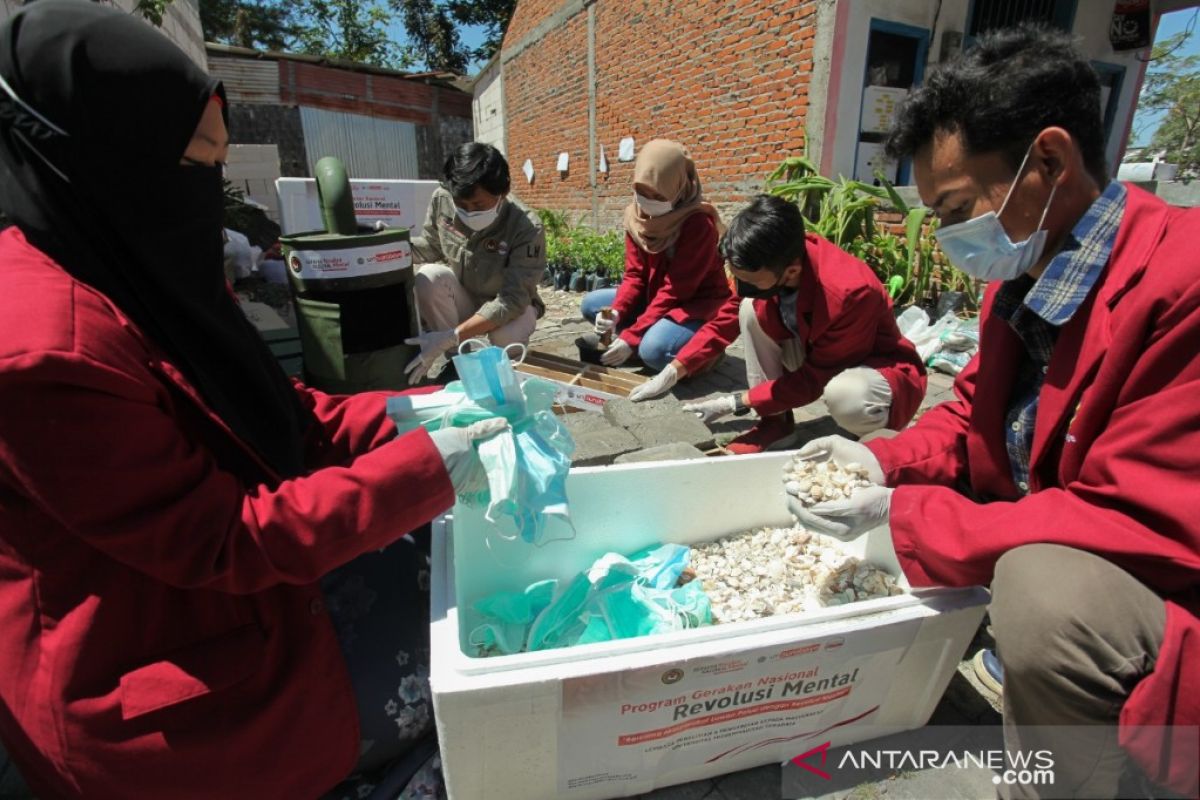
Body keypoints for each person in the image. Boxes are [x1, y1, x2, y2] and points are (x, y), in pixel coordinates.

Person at [0, 3, 503, 797]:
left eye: (218, 165)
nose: (206, 193)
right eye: (192, 165)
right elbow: (221, 543)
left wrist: (412, 415)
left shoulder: (127, 258)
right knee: (463, 658)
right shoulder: (39, 350)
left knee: (446, 567)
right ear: (106, 158)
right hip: (148, 675)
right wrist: (429, 469)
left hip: (222, 596)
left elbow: (279, 410)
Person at [790, 25, 1200, 799]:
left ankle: (1059, 783)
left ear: (1048, 162)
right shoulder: (1032, 271)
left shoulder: (1184, 282)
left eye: (955, 209)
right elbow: (980, 408)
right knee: (1021, 573)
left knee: (1044, 595)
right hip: (1080, 530)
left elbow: (1139, 517)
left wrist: (905, 518)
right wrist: (882, 461)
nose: (946, 238)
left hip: (1167, 588)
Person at [661, 195, 926, 454]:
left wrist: (738, 401)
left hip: (874, 371)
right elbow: (726, 319)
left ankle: (878, 439)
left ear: (792, 271)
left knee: (845, 395)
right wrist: (676, 368)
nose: (742, 285)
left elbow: (815, 378)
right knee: (749, 309)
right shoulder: (769, 260)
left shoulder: (848, 293)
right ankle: (776, 424)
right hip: (818, 351)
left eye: (750, 280)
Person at [578, 139, 730, 372]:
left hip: (695, 304)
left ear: (678, 188)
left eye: (658, 196)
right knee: (593, 305)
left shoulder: (698, 224)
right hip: (654, 295)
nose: (648, 202)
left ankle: (709, 352)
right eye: (641, 191)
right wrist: (617, 311)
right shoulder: (636, 218)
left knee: (655, 353)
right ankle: (645, 335)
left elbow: (677, 290)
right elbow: (635, 275)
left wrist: (633, 336)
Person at [406, 142, 546, 383]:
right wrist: (390, 246)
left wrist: (452, 335)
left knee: (506, 337)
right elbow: (430, 248)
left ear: (503, 191)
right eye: (461, 205)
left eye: (479, 205)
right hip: (466, 297)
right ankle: (458, 361)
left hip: (511, 306)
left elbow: (512, 299)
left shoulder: (525, 227)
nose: (469, 212)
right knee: (428, 277)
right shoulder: (443, 200)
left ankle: (508, 365)